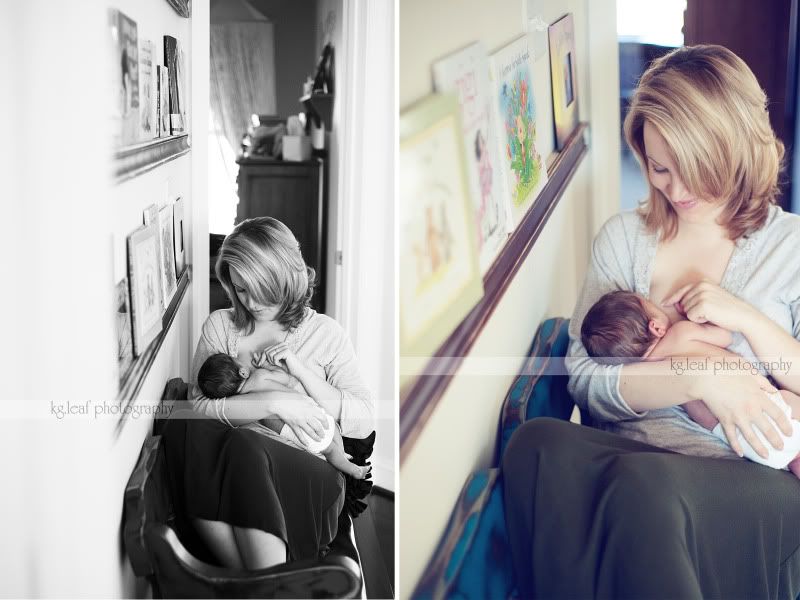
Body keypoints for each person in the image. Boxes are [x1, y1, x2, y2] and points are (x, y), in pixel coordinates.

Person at [502, 44, 800, 598]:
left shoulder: (791, 248)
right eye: (661, 169)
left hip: (750, 477)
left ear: (735, 152)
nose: (677, 191)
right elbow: (587, 380)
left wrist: (749, 319)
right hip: (632, 456)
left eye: (695, 171)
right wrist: (697, 376)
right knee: (535, 445)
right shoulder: (623, 240)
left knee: (643, 488)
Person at [164, 216, 374, 571]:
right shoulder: (221, 326)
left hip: (311, 473)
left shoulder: (325, 334)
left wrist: (304, 377)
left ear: (285, 274)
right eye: (240, 289)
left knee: (241, 444)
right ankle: (268, 584)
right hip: (239, 476)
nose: (251, 301)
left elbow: (363, 418)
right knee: (189, 427)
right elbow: (197, 409)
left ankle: (256, 582)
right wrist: (277, 403)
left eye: (259, 286)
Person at [580, 289, 800, 476]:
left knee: (790, 457)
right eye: (652, 305)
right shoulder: (680, 333)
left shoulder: (650, 375)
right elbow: (725, 338)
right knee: (791, 412)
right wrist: (697, 320)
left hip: (741, 440)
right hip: (763, 403)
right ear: (656, 327)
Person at [197, 351, 372, 479]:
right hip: (309, 410)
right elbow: (288, 380)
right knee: (333, 432)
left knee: (328, 451)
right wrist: (269, 368)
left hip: (293, 435)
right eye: (237, 359)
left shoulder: (245, 404)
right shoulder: (259, 376)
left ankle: (345, 463)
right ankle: (348, 463)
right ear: (242, 371)